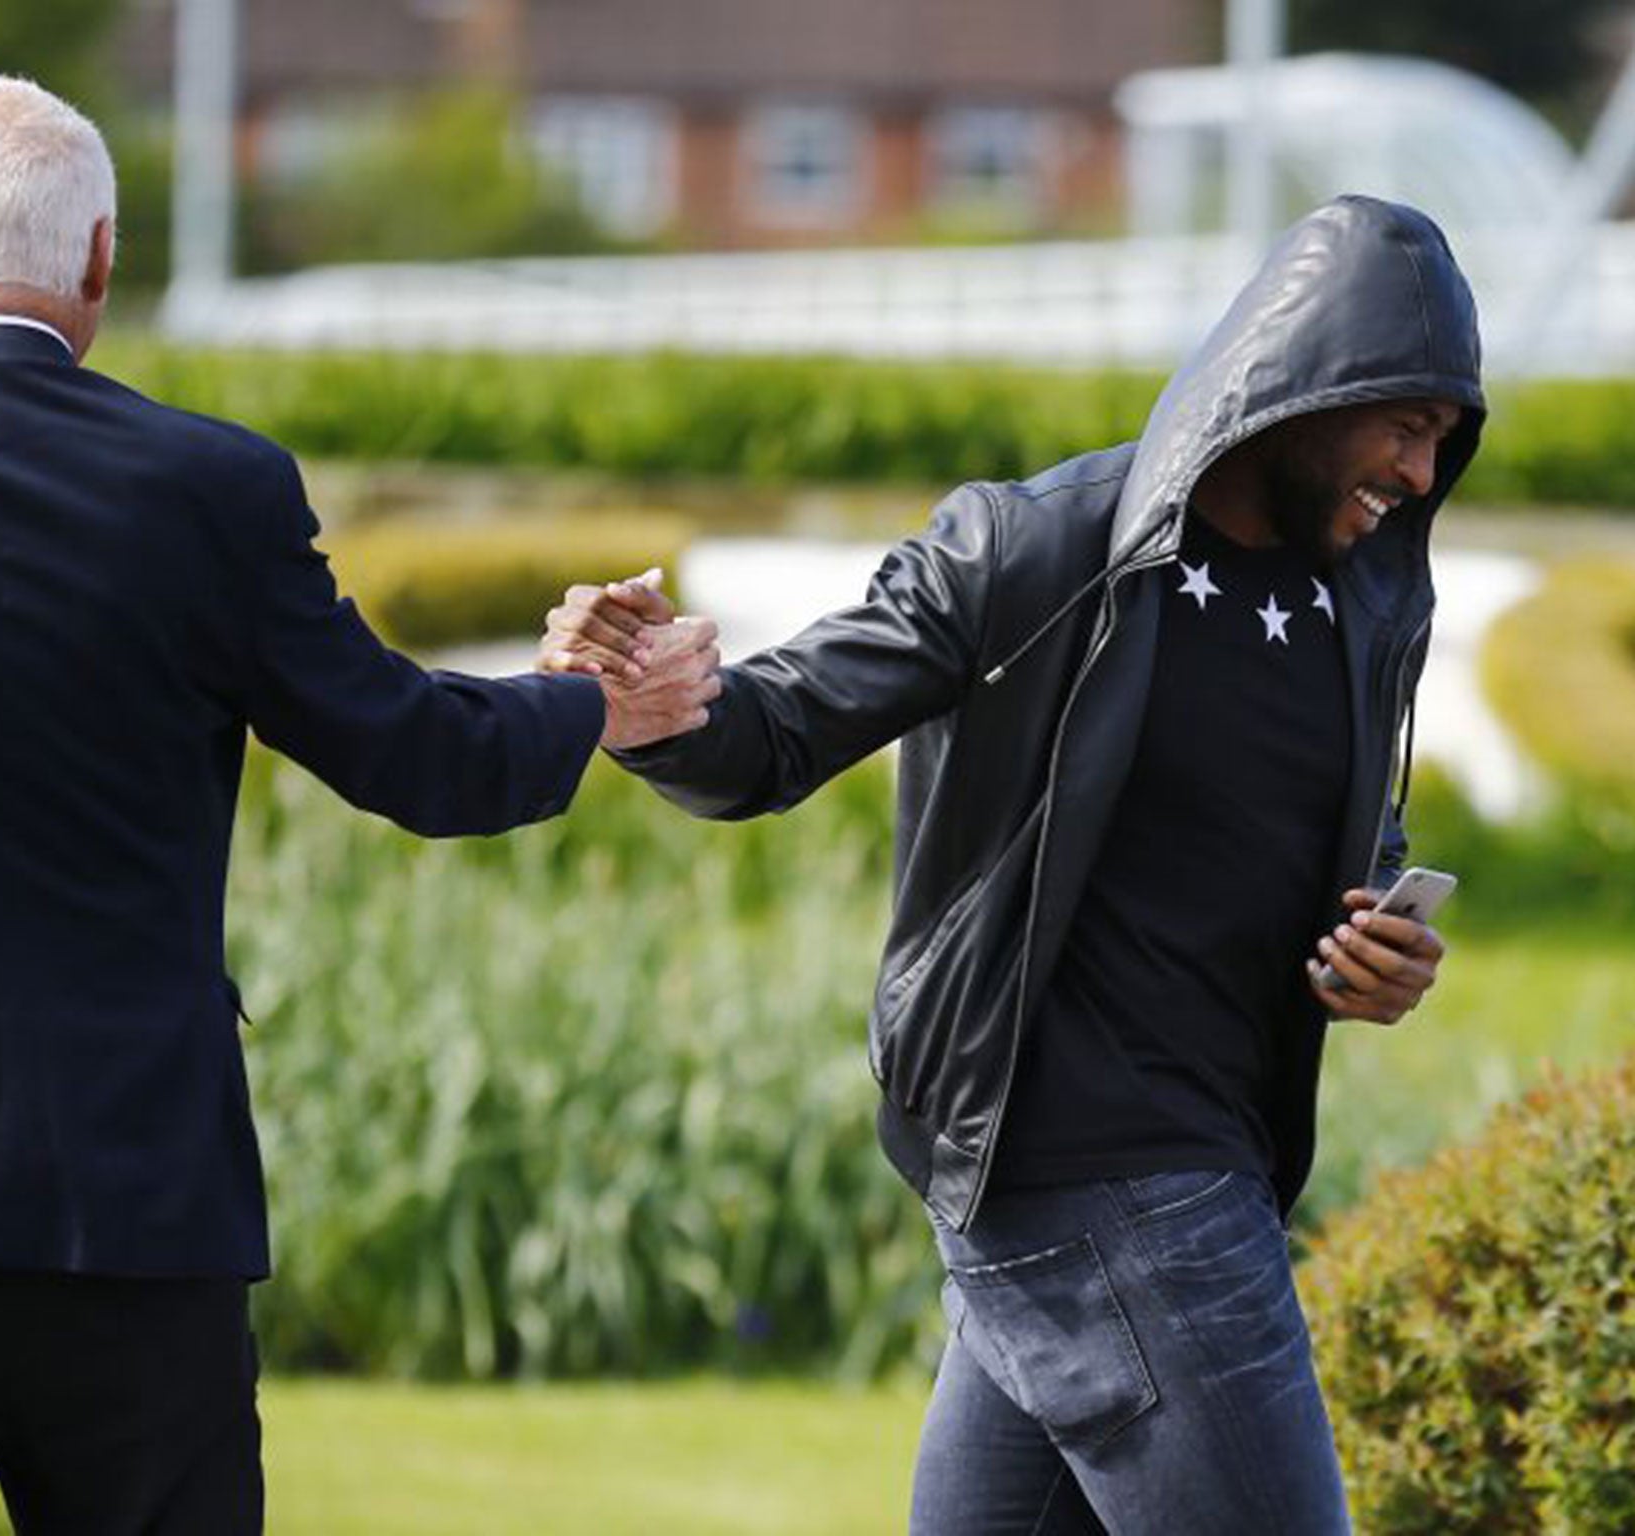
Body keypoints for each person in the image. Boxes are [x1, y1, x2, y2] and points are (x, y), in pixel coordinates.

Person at [0, 75, 718, 1534]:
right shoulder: (214, 486)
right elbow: (414, 756)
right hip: (132, 1206)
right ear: (103, 256)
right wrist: (594, 700)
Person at [541, 196, 1481, 1532]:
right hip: (1121, 1185)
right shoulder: (1033, 551)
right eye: (1406, 425)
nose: (1421, 472)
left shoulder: (1366, 596)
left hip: (1137, 1190)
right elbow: (783, 729)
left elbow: (1326, 834)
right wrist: (651, 705)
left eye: (1444, 441)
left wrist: (1373, 946)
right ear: (1314, 382)